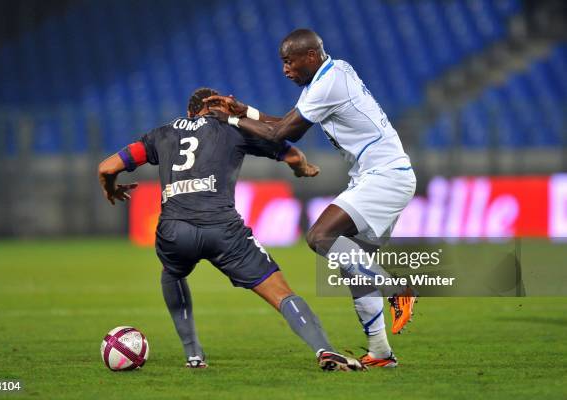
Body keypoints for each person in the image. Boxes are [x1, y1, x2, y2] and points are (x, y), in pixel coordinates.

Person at [97, 87, 363, 372]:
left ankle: (194, 355)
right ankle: (325, 350)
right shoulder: (232, 128)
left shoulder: (161, 134)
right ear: (216, 108)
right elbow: (293, 154)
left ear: (189, 112)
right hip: (223, 230)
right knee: (281, 293)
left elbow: (107, 167)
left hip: (175, 231)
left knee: (172, 273)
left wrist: (112, 190)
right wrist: (302, 169)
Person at [206, 29, 417, 368]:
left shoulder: (328, 83)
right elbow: (285, 123)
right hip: (380, 175)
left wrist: (231, 119)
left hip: (385, 176)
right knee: (354, 267)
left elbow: (278, 135)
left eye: (289, 61)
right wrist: (246, 111)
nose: (285, 69)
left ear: (311, 56)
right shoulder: (333, 73)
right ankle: (380, 353)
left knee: (320, 236)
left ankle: (396, 291)